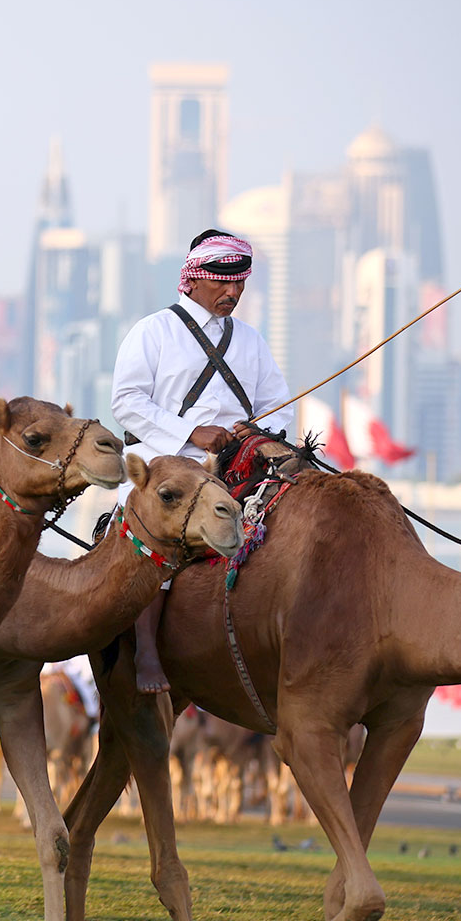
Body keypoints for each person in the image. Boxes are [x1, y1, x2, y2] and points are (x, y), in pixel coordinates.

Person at [110, 229, 292, 693]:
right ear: (192, 280)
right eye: (222, 282)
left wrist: (255, 431)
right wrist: (190, 432)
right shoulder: (153, 331)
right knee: (160, 534)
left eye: (241, 283)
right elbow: (126, 402)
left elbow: (279, 405)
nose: (233, 292)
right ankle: (147, 652)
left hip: (239, 464)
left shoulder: (251, 340)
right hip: (170, 464)